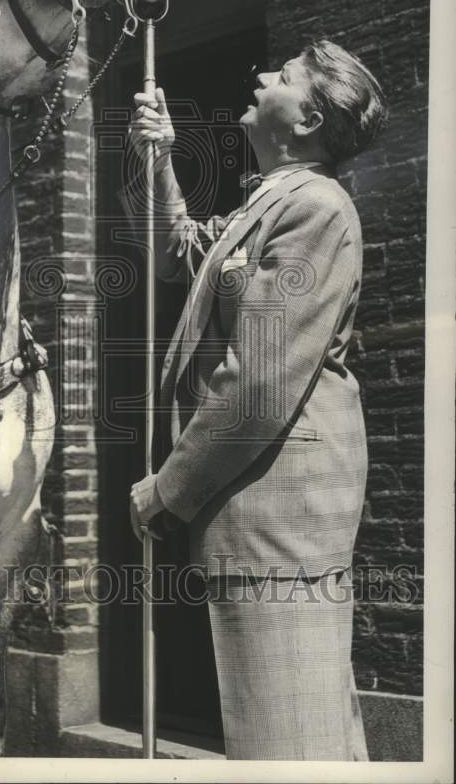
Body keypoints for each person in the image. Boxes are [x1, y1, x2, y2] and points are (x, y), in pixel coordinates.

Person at [123, 39, 387, 760]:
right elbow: (172, 249)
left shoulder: (314, 209)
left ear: (305, 119)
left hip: (280, 529)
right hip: (256, 521)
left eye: (283, 75)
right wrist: (155, 158)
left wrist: (166, 492)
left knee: (287, 747)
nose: (260, 74)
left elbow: (260, 383)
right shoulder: (266, 202)